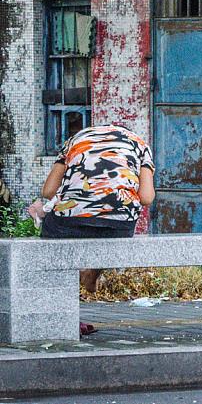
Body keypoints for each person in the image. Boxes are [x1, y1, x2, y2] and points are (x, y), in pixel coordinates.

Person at [37, 124, 156, 333]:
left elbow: (48, 192)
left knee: (57, 245)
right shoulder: (139, 144)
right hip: (119, 224)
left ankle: (65, 318)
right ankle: (92, 273)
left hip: (70, 220)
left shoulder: (76, 140)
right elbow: (146, 197)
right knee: (105, 229)